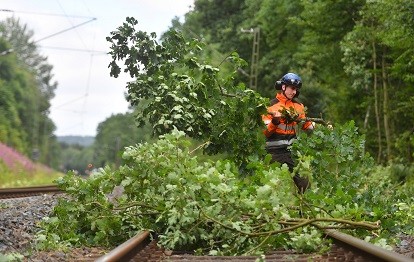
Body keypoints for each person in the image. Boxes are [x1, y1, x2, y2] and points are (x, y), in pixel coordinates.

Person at [262, 72, 314, 193]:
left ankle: (304, 209)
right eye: (292, 88)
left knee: (305, 185)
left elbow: (306, 125)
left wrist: (325, 127)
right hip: (274, 153)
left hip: (292, 151)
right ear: (283, 87)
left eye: (296, 89)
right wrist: (275, 121)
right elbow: (266, 133)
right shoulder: (270, 106)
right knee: (272, 188)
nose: (294, 92)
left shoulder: (298, 106)